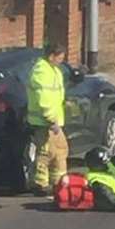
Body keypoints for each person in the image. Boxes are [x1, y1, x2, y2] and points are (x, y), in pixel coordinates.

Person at [27, 43, 69, 195]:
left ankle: (52, 183)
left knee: (55, 152)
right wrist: (52, 120)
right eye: (60, 57)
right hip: (46, 122)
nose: (61, 60)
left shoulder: (52, 70)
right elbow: (45, 99)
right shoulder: (42, 72)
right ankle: (44, 184)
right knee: (50, 153)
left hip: (50, 121)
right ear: (51, 56)